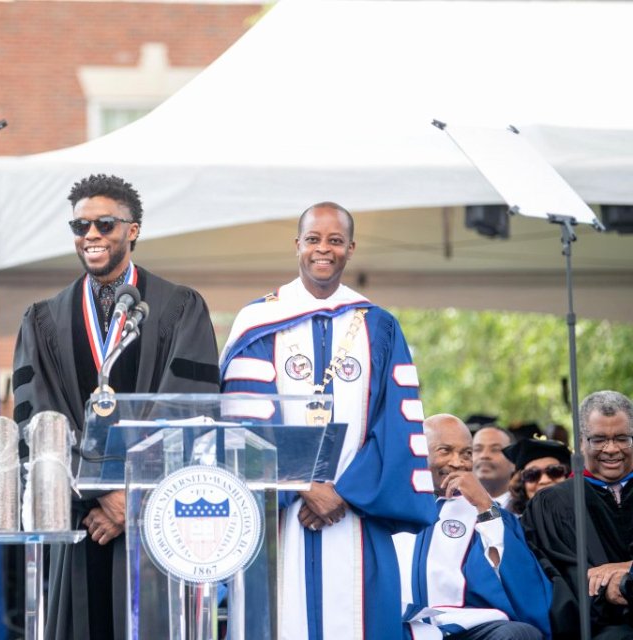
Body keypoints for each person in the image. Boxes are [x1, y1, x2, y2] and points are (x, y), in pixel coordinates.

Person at [12, 173, 220, 640]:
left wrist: (134, 497)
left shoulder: (179, 308)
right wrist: (97, 494)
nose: (91, 236)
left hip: (157, 522)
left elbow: (190, 408)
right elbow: (38, 420)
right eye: (80, 226)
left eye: (105, 224)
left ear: (133, 229)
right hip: (82, 522)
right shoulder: (43, 319)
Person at [219, 202, 437, 640]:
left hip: (355, 512)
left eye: (335, 240)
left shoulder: (379, 326)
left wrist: (345, 492)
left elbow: (396, 425)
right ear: (297, 245)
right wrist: (302, 485)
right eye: (314, 239)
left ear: (350, 248)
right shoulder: (259, 321)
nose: (324, 249)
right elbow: (245, 420)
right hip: (279, 515)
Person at [394, 414, 551, 640]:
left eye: (467, 453)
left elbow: (515, 577)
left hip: (465, 627)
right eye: (445, 451)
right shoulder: (392, 504)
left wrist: (484, 505)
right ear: (420, 451)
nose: (458, 462)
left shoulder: (486, 510)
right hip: (400, 624)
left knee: (517, 635)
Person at [521, 390, 633, 639]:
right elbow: (561, 580)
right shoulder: (551, 504)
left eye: (622, 438)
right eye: (599, 439)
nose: (612, 449)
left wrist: (627, 569)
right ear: (582, 442)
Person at [502, 438, 572, 515]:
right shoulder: (512, 524)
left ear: (567, 476)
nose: (544, 480)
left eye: (554, 471)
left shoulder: (583, 516)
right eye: (532, 474)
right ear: (521, 485)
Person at [472, 426, 516, 508]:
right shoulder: (452, 507)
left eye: (495, 449)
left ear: (514, 462)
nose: (484, 455)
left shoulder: (528, 511)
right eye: (477, 449)